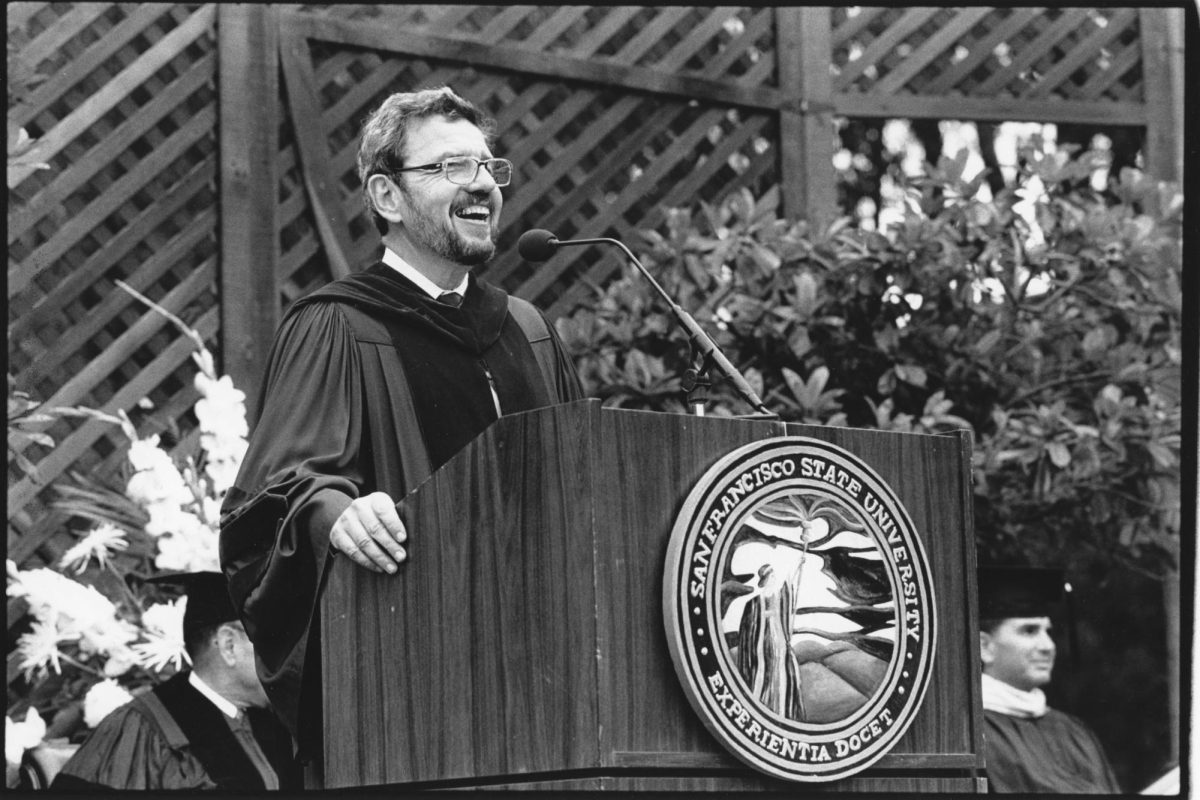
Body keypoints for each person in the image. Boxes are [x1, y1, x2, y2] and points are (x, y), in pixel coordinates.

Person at [218, 86, 583, 766]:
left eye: (487, 167)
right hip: (412, 701)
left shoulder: (528, 330)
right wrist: (334, 514)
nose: (480, 185)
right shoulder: (339, 325)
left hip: (552, 689)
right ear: (387, 197)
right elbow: (274, 497)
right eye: (450, 168)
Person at [51, 572, 300, 791]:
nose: (289, 660)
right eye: (275, 641)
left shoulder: (278, 721)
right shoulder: (142, 728)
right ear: (229, 646)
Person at [977, 565, 1121, 793]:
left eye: (1048, 632)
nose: (1048, 646)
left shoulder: (1075, 732)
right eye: (1029, 631)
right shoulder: (974, 735)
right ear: (985, 646)